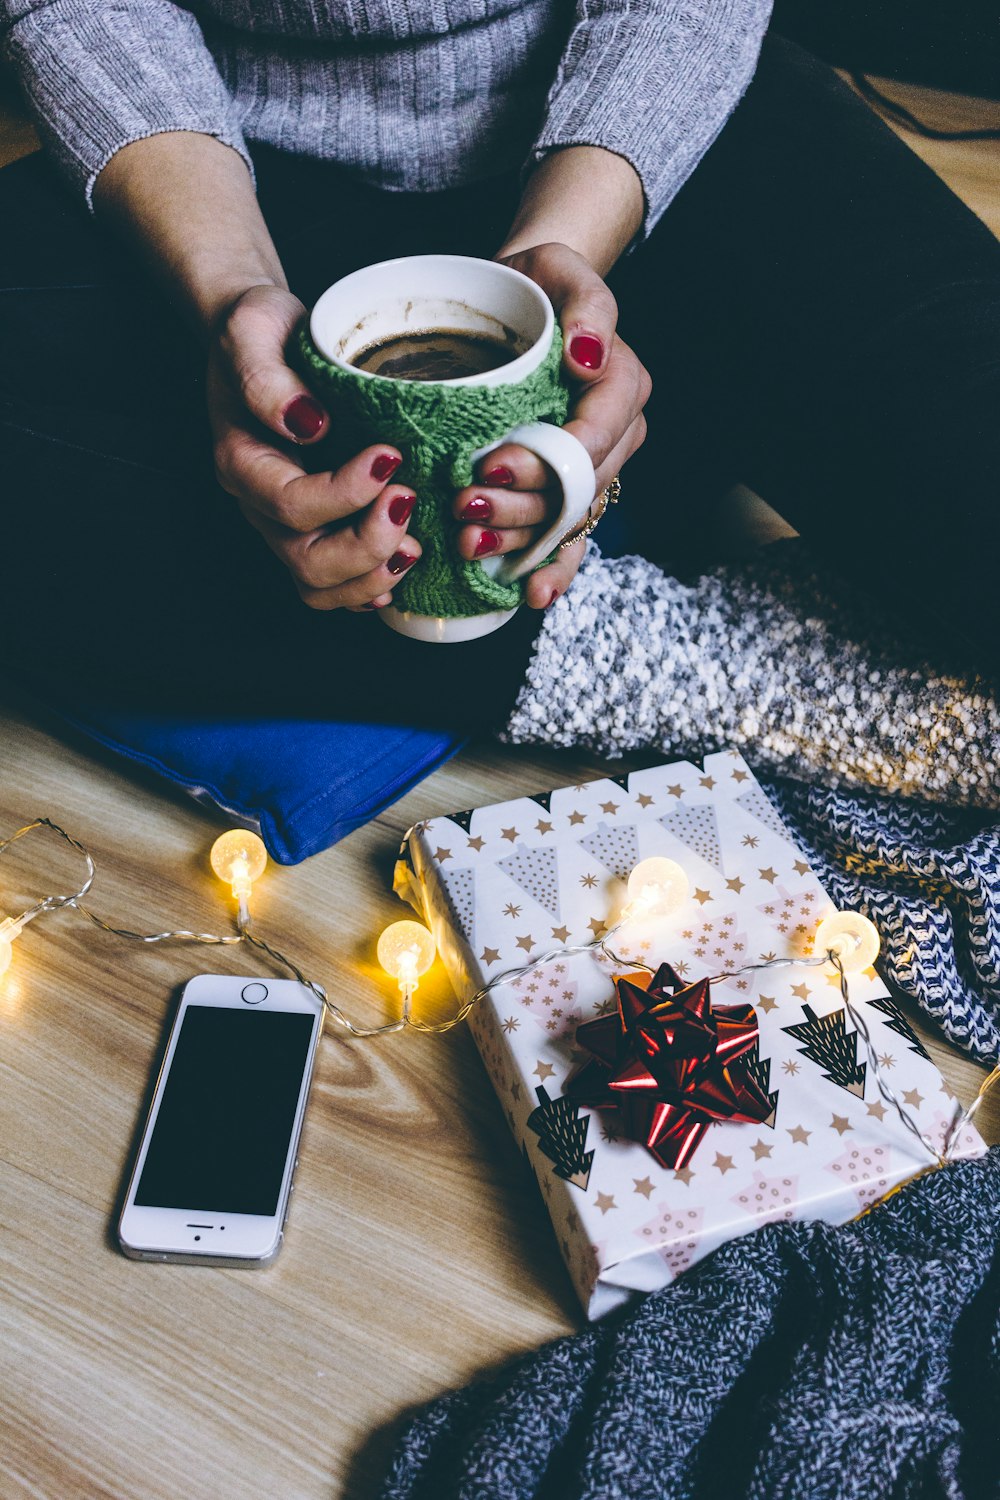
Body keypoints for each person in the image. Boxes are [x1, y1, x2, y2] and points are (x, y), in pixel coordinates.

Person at [0, 2, 997, 803]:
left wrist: (559, 253)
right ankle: (657, 652)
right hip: (213, 156)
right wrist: (226, 288)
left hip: (634, 122)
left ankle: (579, 516)